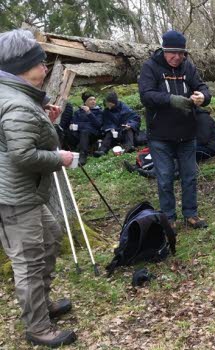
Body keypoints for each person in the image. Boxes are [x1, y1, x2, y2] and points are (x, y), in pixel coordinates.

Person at [0, 29, 77, 348]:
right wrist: (60, 158)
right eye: (39, 63)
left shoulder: (17, 95)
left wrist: (45, 116)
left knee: (51, 236)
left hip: (27, 192)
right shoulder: (16, 103)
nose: (45, 68)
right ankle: (37, 327)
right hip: (16, 198)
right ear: (22, 67)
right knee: (29, 261)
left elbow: (23, 133)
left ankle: (42, 306)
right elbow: (23, 155)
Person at [138, 30, 211, 230]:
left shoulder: (188, 67)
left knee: (189, 176)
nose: (177, 57)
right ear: (164, 50)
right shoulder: (150, 67)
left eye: (181, 53)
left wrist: (203, 97)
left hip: (187, 134)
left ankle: (191, 214)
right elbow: (146, 95)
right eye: (172, 53)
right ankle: (168, 218)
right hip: (160, 135)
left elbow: (203, 87)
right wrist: (171, 100)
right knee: (165, 178)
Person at [94, 91, 141, 156]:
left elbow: (135, 119)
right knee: (109, 133)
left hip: (124, 131)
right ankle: (102, 150)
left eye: (108, 102)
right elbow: (106, 123)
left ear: (112, 102)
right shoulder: (106, 111)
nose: (106, 104)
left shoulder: (124, 108)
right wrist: (111, 128)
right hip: (114, 133)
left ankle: (129, 147)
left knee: (129, 130)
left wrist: (130, 125)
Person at [63, 91, 103, 165]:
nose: (93, 101)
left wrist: (89, 113)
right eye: (90, 100)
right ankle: (72, 151)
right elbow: (73, 123)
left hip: (93, 134)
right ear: (85, 102)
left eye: (94, 99)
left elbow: (98, 124)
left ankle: (83, 155)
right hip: (79, 134)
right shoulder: (78, 112)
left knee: (85, 131)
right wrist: (73, 126)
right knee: (65, 131)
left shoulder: (99, 111)